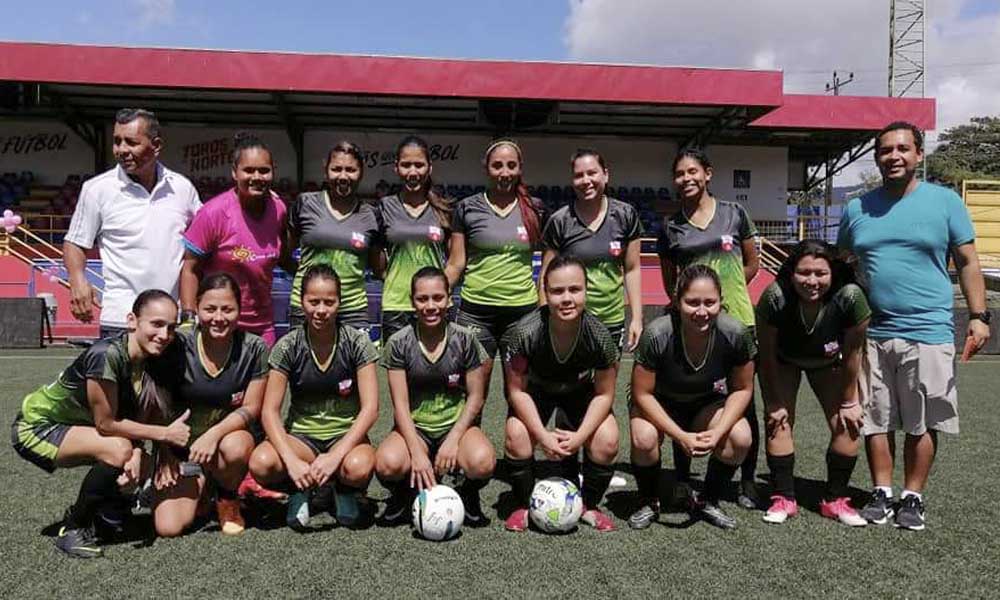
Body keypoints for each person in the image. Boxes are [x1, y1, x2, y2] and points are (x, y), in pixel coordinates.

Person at [837, 121, 990, 530]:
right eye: (886, 150)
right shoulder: (856, 209)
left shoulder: (945, 203)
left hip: (929, 329)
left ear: (919, 154)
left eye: (903, 149)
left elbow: (968, 261)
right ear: (877, 157)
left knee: (923, 420)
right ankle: (881, 492)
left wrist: (979, 316)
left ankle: (913, 497)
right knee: (875, 418)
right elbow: (843, 265)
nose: (894, 156)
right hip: (872, 332)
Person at [11, 290, 190, 557]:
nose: (164, 335)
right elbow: (106, 424)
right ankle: (73, 527)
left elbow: (127, 421)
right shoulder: (106, 354)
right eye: (156, 324)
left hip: (81, 429)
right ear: (132, 321)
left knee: (136, 458)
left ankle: (108, 515)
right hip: (36, 426)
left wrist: (139, 451)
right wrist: (164, 434)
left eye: (171, 327)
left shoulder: (147, 361)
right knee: (119, 450)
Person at [657, 147, 761, 508]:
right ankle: (683, 479)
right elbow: (673, 283)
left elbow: (752, 264)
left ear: (708, 173)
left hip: (737, 322)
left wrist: (725, 299)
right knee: (686, 396)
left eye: (693, 172)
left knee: (743, 402)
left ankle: (747, 481)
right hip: (693, 327)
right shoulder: (671, 228)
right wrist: (694, 306)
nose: (686, 179)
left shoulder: (735, 214)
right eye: (680, 174)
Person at [248, 265, 379, 530]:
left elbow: (371, 408)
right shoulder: (288, 346)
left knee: (359, 467)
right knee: (261, 463)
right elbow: (269, 411)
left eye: (329, 302)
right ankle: (300, 488)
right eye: (314, 301)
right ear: (301, 302)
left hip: (344, 437)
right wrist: (291, 461)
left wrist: (336, 455)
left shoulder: (357, 343)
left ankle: (341, 490)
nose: (321, 310)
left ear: (339, 303)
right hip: (301, 439)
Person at [628, 265, 755, 530]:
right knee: (644, 438)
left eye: (710, 302)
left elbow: (743, 389)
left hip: (705, 403)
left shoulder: (736, 333)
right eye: (692, 302)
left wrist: (719, 430)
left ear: (721, 301)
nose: (701, 311)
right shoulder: (657, 334)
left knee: (740, 438)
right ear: (676, 301)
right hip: (659, 402)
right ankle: (649, 501)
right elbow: (642, 393)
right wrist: (679, 435)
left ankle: (708, 500)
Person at [501, 255, 620, 532]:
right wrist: (542, 436)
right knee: (516, 435)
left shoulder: (600, 336)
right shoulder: (524, 333)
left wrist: (579, 437)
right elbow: (516, 391)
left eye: (575, 290)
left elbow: (604, 394)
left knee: (608, 438)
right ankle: (524, 503)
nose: (567, 298)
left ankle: (588, 505)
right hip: (536, 392)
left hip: (579, 392)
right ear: (545, 292)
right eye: (557, 291)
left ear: (586, 291)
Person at [756, 241, 870, 526]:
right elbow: (767, 355)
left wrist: (850, 401)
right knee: (778, 420)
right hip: (784, 360)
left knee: (849, 423)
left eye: (820, 273)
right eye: (804, 272)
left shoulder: (850, 297)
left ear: (833, 273)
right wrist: (773, 400)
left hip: (828, 363)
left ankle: (835, 500)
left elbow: (853, 353)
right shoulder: (774, 297)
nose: (811, 281)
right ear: (791, 273)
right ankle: (783, 496)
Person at [64, 108, 201, 338]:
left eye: (131, 142)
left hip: (170, 322)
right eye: (117, 142)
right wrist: (78, 279)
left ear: (156, 145)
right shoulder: (97, 189)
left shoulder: (182, 188)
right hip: (120, 319)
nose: (122, 150)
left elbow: (204, 239)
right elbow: (75, 243)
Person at [375, 267, 495, 526]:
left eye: (438, 297)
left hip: (455, 425)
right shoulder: (398, 342)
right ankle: (404, 495)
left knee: (482, 462)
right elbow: (400, 404)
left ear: (449, 299)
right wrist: (417, 452)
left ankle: (467, 493)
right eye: (422, 299)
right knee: (387, 463)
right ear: (412, 302)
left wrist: (453, 439)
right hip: (415, 427)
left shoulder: (465, 339)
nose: (431, 305)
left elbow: (476, 396)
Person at [150, 274, 268, 538]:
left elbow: (251, 408)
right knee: (168, 528)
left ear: (240, 309)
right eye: (210, 309)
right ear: (197, 306)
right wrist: (164, 452)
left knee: (236, 446)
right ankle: (202, 487)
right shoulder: (177, 343)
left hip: (225, 445)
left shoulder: (255, 347)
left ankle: (227, 498)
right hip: (180, 448)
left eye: (227, 309)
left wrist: (212, 435)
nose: (218, 318)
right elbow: (156, 404)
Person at [446, 139, 543, 398]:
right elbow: (456, 262)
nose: (504, 173)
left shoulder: (535, 208)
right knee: (473, 393)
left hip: (521, 314)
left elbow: (550, 263)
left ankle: (518, 440)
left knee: (519, 394)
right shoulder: (467, 208)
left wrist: (544, 305)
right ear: (486, 168)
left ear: (520, 168)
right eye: (497, 166)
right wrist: (439, 292)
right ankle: (466, 438)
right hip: (476, 314)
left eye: (511, 166)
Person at [180, 132, 292, 347]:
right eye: (248, 170)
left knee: (263, 379)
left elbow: (286, 260)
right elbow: (190, 269)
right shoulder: (213, 213)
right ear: (234, 172)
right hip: (219, 323)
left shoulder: (279, 210)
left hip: (262, 325)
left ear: (273, 172)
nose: (257, 177)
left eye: (264, 170)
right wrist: (188, 317)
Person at [540, 148, 644, 351]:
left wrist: (637, 318)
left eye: (592, 173)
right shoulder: (560, 221)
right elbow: (545, 275)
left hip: (611, 320)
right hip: (570, 321)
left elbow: (632, 270)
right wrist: (544, 320)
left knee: (607, 382)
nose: (586, 180)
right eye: (579, 175)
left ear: (605, 174)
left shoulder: (626, 215)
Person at [286, 142, 380, 333]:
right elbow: (284, 253)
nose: (343, 176)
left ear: (361, 172)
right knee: (304, 361)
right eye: (336, 169)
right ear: (325, 170)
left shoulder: (371, 215)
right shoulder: (305, 204)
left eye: (350, 170)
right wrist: (308, 277)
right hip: (308, 306)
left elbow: (377, 266)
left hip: (353, 309)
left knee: (361, 362)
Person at [372, 136, 452, 343]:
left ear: (429, 168)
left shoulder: (444, 209)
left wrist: (439, 290)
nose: (413, 172)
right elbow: (377, 261)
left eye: (419, 165)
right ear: (396, 168)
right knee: (397, 371)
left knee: (439, 370)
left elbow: (454, 260)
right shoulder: (384, 207)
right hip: (396, 304)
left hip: (435, 305)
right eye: (406, 165)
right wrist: (393, 279)